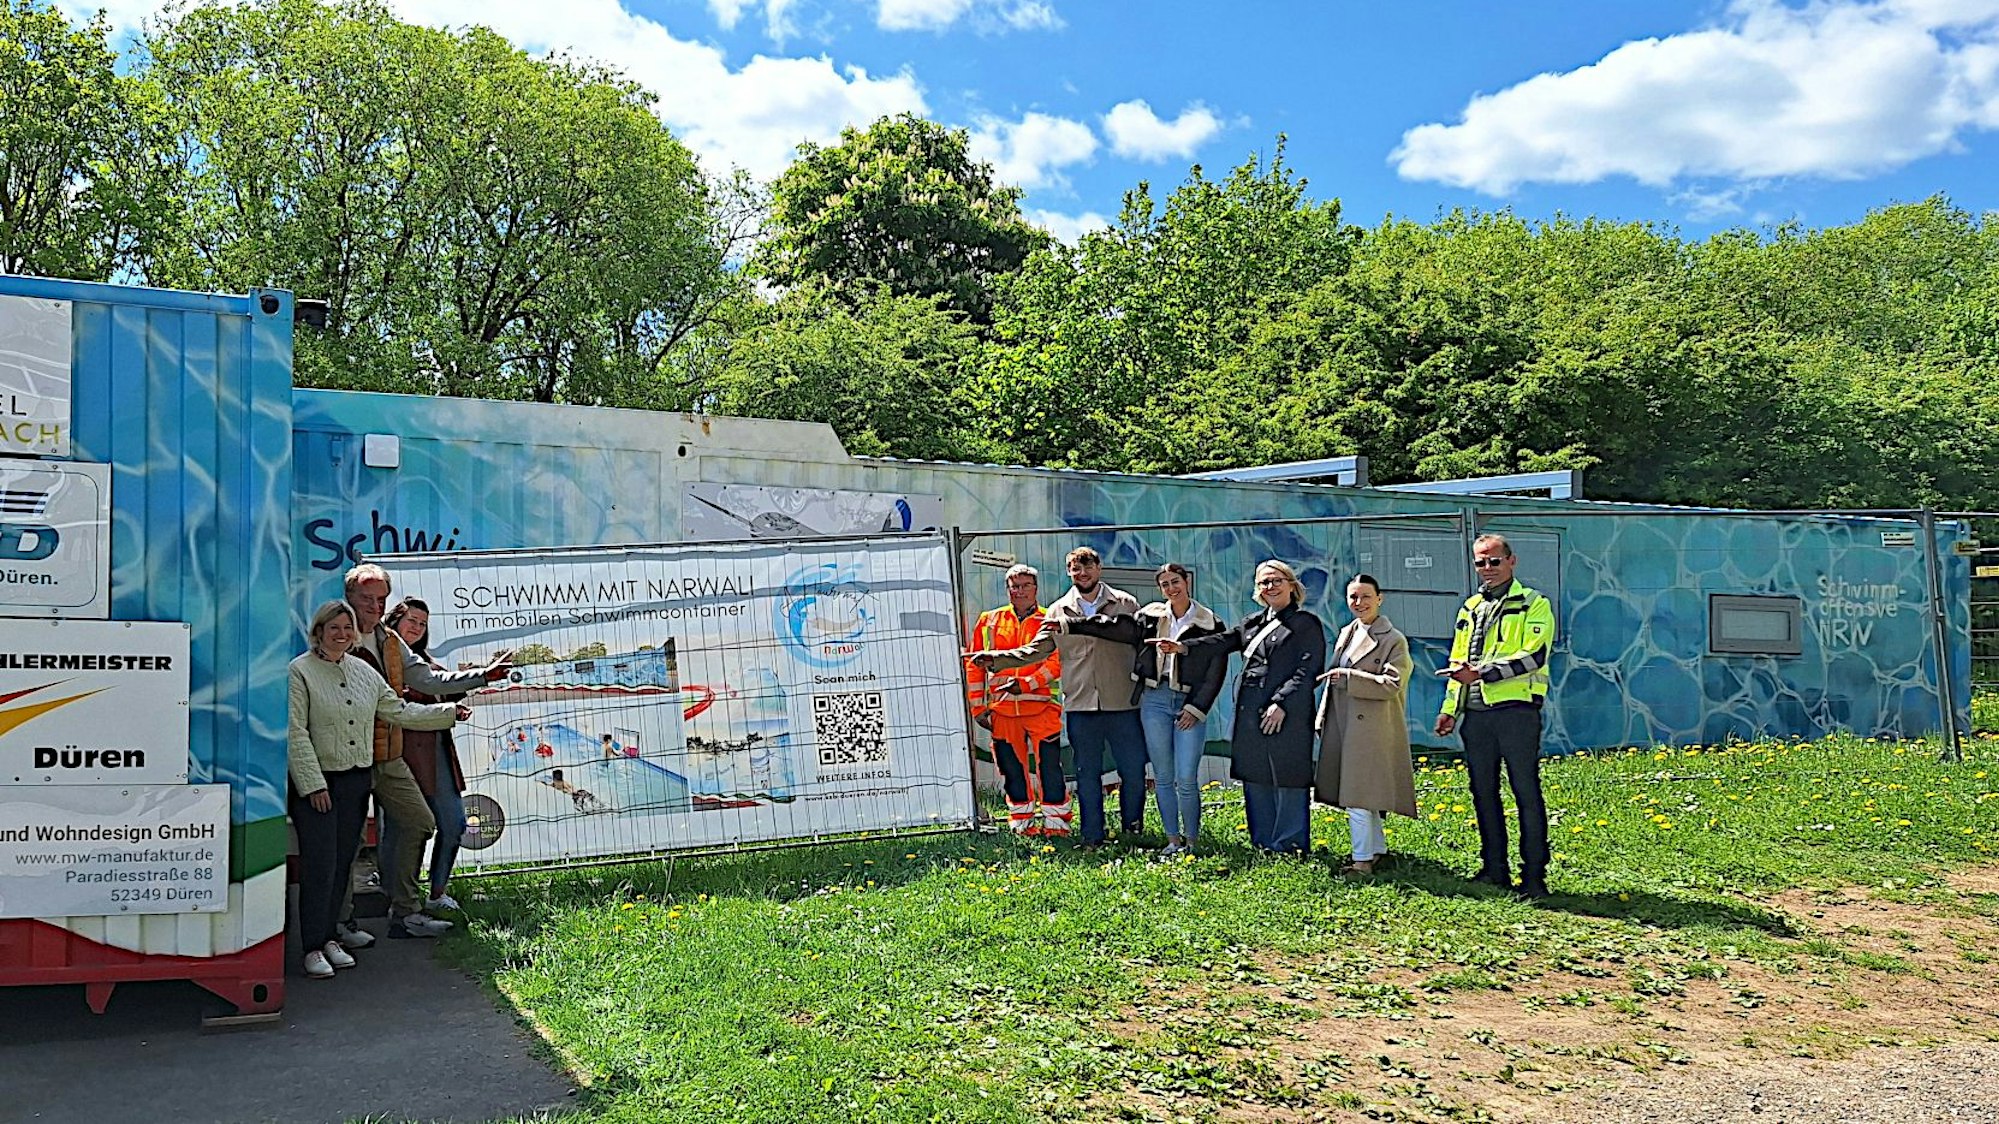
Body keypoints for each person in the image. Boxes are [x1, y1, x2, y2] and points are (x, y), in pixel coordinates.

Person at [289, 600, 467, 979]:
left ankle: (331, 937)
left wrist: (449, 713)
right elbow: (296, 734)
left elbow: (398, 711)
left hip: (355, 778)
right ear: (318, 631)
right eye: (333, 628)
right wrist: (312, 784)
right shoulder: (300, 672)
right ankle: (312, 947)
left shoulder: (362, 671)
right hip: (321, 783)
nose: (341, 634)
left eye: (346, 628)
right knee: (319, 867)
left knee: (341, 866)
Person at [341, 563, 510, 942]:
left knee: (419, 822)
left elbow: (426, 679)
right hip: (345, 755)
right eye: (366, 599)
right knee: (348, 839)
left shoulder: (388, 639)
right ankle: (340, 924)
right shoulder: (340, 632)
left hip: (388, 751)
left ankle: (406, 914)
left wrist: (484, 675)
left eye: (380, 599)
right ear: (349, 597)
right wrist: (446, 712)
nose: (374, 606)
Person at [969, 547, 1146, 849]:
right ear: (1068, 572)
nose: (1083, 573)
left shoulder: (1125, 603)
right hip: (1080, 703)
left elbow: (1134, 640)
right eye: (1076, 569)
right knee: (1085, 773)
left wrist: (1027, 683)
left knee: (1132, 770)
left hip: (1121, 702)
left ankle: (1132, 831)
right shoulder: (1057, 610)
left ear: (1099, 568)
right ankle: (1092, 837)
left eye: (1088, 566)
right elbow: (1036, 651)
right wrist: (995, 660)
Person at [1157, 560, 1325, 855]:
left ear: (1290, 584)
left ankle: (1290, 844)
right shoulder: (1253, 623)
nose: (1269, 587)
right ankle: (1262, 842)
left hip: (1286, 711)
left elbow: (1307, 670)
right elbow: (1223, 640)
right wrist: (1183, 647)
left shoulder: (1305, 624)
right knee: (1256, 774)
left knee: (1288, 775)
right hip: (1251, 710)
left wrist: (1282, 702)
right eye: (1263, 582)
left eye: (1275, 581)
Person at [1063, 562, 1227, 856]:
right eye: (1165, 585)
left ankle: (1192, 841)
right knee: (1163, 775)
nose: (1171, 589)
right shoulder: (1151, 616)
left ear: (1186, 581)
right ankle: (1172, 840)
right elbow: (1114, 628)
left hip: (1188, 700)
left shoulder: (1209, 621)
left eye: (1175, 582)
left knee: (1186, 776)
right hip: (1155, 699)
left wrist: (1197, 707)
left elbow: (1215, 671)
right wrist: (1070, 624)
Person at [1435, 534, 1556, 899]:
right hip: (1475, 714)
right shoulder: (1470, 607)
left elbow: (1534, 656)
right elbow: (1459, 664)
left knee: (1525, 791)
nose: (1487, 568)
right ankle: (1493, 869)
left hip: (1516, 711)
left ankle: (1533, 877)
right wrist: (1449, 710)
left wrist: (1484, 672)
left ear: (1511, 561)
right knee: (1482, 792)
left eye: (1494, 561)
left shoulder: (1535, 603)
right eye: (1480, 563)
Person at [1314, 574, 1417, 874]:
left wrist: (1350, 679)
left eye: (1365, 596)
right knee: (1364, 793)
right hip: (1345, 723)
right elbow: (1332, 678)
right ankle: (1377, 851)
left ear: (1380, 598)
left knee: (1357, 794)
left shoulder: (1393, 639)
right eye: (1353, 597)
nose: (1358, 603)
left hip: (1372, 729)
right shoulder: (1348, 631)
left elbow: (1392, 683)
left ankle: (1361, 862)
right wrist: (1323, 716)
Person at [963, 564, 1068, 835]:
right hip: (1002, 710)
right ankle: (1021, 821)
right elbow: (974, 667)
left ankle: (1056, 823)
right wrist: (978, 708)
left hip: (1042, 707)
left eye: (1025, 586)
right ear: (1008, 589)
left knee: (1049, 767)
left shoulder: (1050, 619)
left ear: (1036, 589)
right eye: (1015, 586)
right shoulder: (989, 621)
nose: (1019, 591)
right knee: (1011, 769)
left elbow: (1057, 663)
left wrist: (1027, 684)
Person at [385, 597, 471, 914]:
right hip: (397, 755)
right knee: (405, 830)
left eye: (423, 623)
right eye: (412, 620)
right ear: (394, 621)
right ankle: (399, 901)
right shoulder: (381, 657)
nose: (418, 627)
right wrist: (443, 706)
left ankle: (437, 892)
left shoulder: (425, 662)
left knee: (454, 823)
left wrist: (461, 694)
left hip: (437, 754)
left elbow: (445, 686)